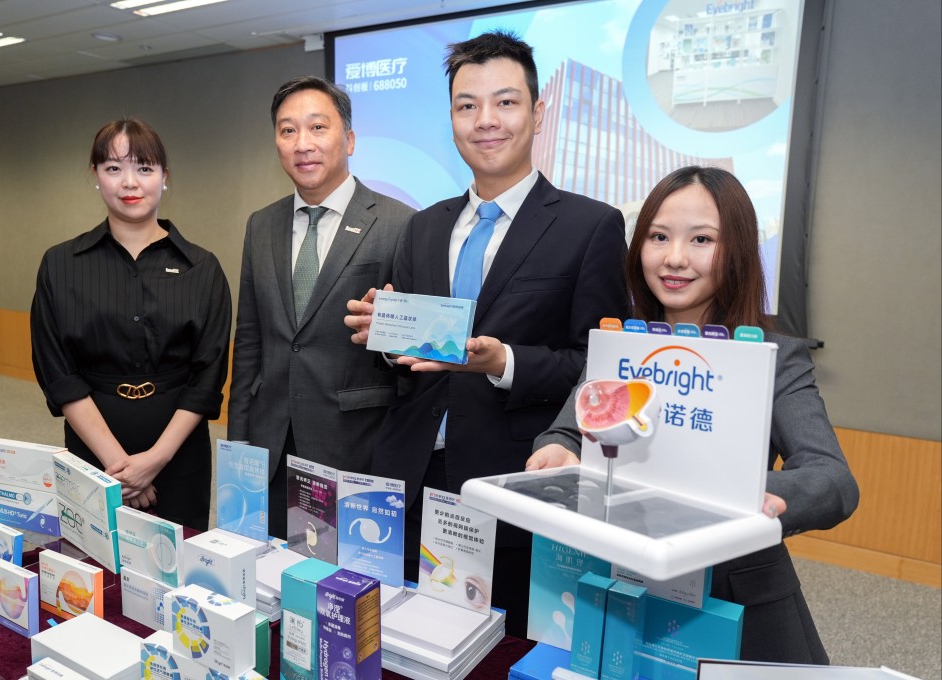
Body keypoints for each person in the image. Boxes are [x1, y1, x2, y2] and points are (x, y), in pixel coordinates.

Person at [346, 31, 628, 635]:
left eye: (505, 102)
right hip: (412, 479)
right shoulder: (424, 226)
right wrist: (387, 337)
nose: (485, 121)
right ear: (451, 117)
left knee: (499, 646)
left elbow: (597, 367)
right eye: (466, 105)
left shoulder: (591, 226)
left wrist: (503, 362)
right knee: (405, 638)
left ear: (537, 112)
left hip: (511, 478)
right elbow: (411, 357)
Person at [529, 166, 860, 663]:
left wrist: (756, 500)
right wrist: (555, 449)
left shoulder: (773, 354)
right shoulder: (623, 346)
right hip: (621, 582)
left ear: (740, 251)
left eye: (702, 239)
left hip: (735, 594)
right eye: (658, 237)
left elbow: (834, 480)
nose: (675, 258)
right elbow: (566, 432)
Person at [227, 76, 415, 539]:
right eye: (287, 130)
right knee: (268, 575)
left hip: (354, 443)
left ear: (348, 139)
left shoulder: (400, 223)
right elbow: (250, 339)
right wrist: (239, 446)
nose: (302, 144)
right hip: (271, 444)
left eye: (317, 127)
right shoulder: (261, 224)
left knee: (344, 587)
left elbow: (413, 351)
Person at [31, 118, 231, 531]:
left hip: (178, 456)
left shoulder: (203, 267)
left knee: (177, 574)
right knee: (92, 577)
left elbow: (208, 377)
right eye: (113, 168)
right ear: (95, 177)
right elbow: (57, 372)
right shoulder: (60, 264)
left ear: (164, 177)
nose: (130, 183)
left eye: (144, 168)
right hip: (92, 456)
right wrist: (119, 467)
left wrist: (154, 460)